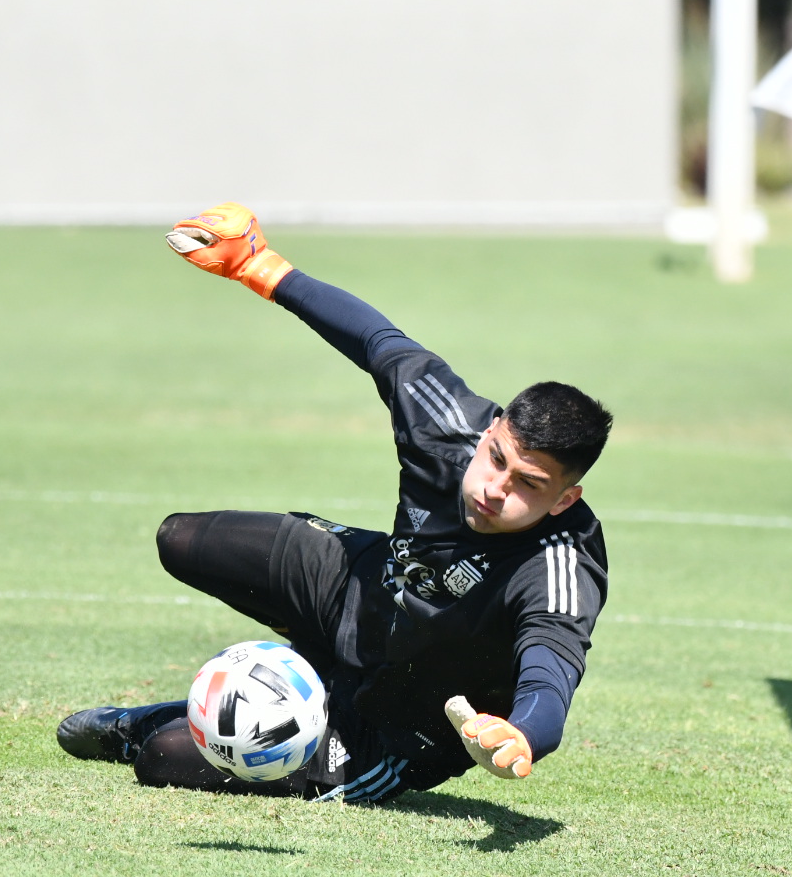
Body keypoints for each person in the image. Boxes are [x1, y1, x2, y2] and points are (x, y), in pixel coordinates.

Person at [54, 203, 613, 804]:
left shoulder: (562, 567)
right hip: (358, 591)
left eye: (528, 484)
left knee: (164, 756)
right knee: (182, 540)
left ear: (564, 499)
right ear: (492, 429)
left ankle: (144, 727)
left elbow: (549, 677)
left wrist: (523, 736)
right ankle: (313, 668)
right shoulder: (451, 425)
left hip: (396, 727)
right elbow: (378, 341)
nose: (494, 488)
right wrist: (258, 265)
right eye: (496, 457)